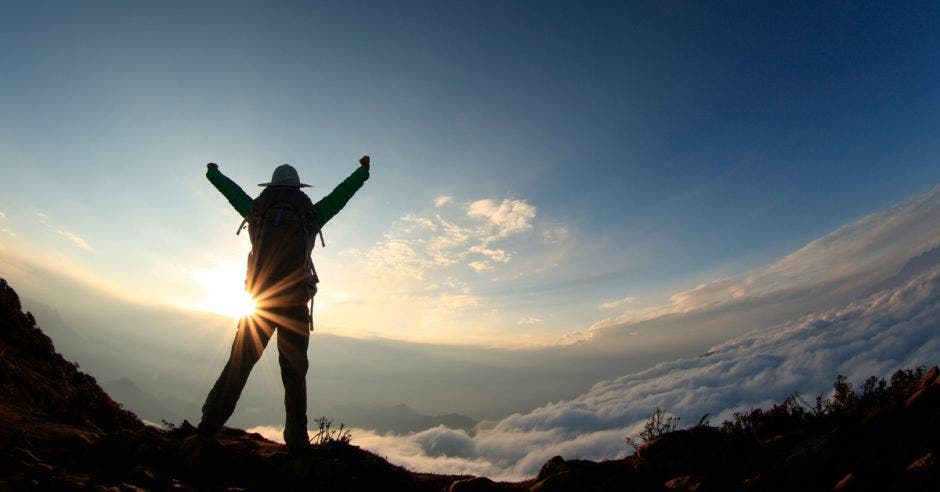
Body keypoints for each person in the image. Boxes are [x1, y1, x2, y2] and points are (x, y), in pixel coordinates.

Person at [197, 156, 370, 451]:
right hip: (295, 305)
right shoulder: (310, 214)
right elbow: (341, 195)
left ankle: (208, 426)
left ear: (272, 185)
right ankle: (297, 443)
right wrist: (362, 172)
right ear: (298, 187)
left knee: (238, 365)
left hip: (260, 302)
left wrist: (213, 173)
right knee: (294, 374)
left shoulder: (257, 209)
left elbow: (231, 191)